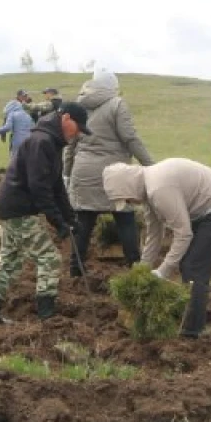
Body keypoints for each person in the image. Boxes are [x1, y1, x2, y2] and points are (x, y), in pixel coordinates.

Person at [102, 158, 211, 339]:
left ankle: (192, 331)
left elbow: (184, 233)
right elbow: (154, 234)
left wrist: (163, 271)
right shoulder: (148, 191)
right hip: (205, 210)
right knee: (188, 263)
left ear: (129, 186)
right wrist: (142, 270)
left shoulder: (159, 190)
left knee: (193, 267)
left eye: (127, 198)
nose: (130, 202)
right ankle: (190, 319)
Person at [0, 104, 92, 323]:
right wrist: (58, 222)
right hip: (18, 210)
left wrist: (70, 218)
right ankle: (47, 316)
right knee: (49, 258)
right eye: (77, 127)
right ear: (66, 118)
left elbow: (56, 186)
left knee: (11, 262)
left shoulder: (52, 142)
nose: (77, 133)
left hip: (13, 209)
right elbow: (39, 187)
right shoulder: (42, 142)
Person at [64, 69, 154, 276]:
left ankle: (75, 270)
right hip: (114, 175)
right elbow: (130, 138)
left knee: (84, 222)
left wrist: (67, 174)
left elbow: (70, 145)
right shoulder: (117, 104)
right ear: (112, 86)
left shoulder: (79, 106)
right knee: (124, 218)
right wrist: (151, 166)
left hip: (83, 171)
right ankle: (134, 268)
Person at [0, 90, 36, 157]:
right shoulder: (27, 114)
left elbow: (7, 128)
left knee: (15, 165)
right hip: (31, 142)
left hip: (18, 143)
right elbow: (34, 127)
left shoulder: (12, 114)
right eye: (24, 96)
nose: (25, 98)